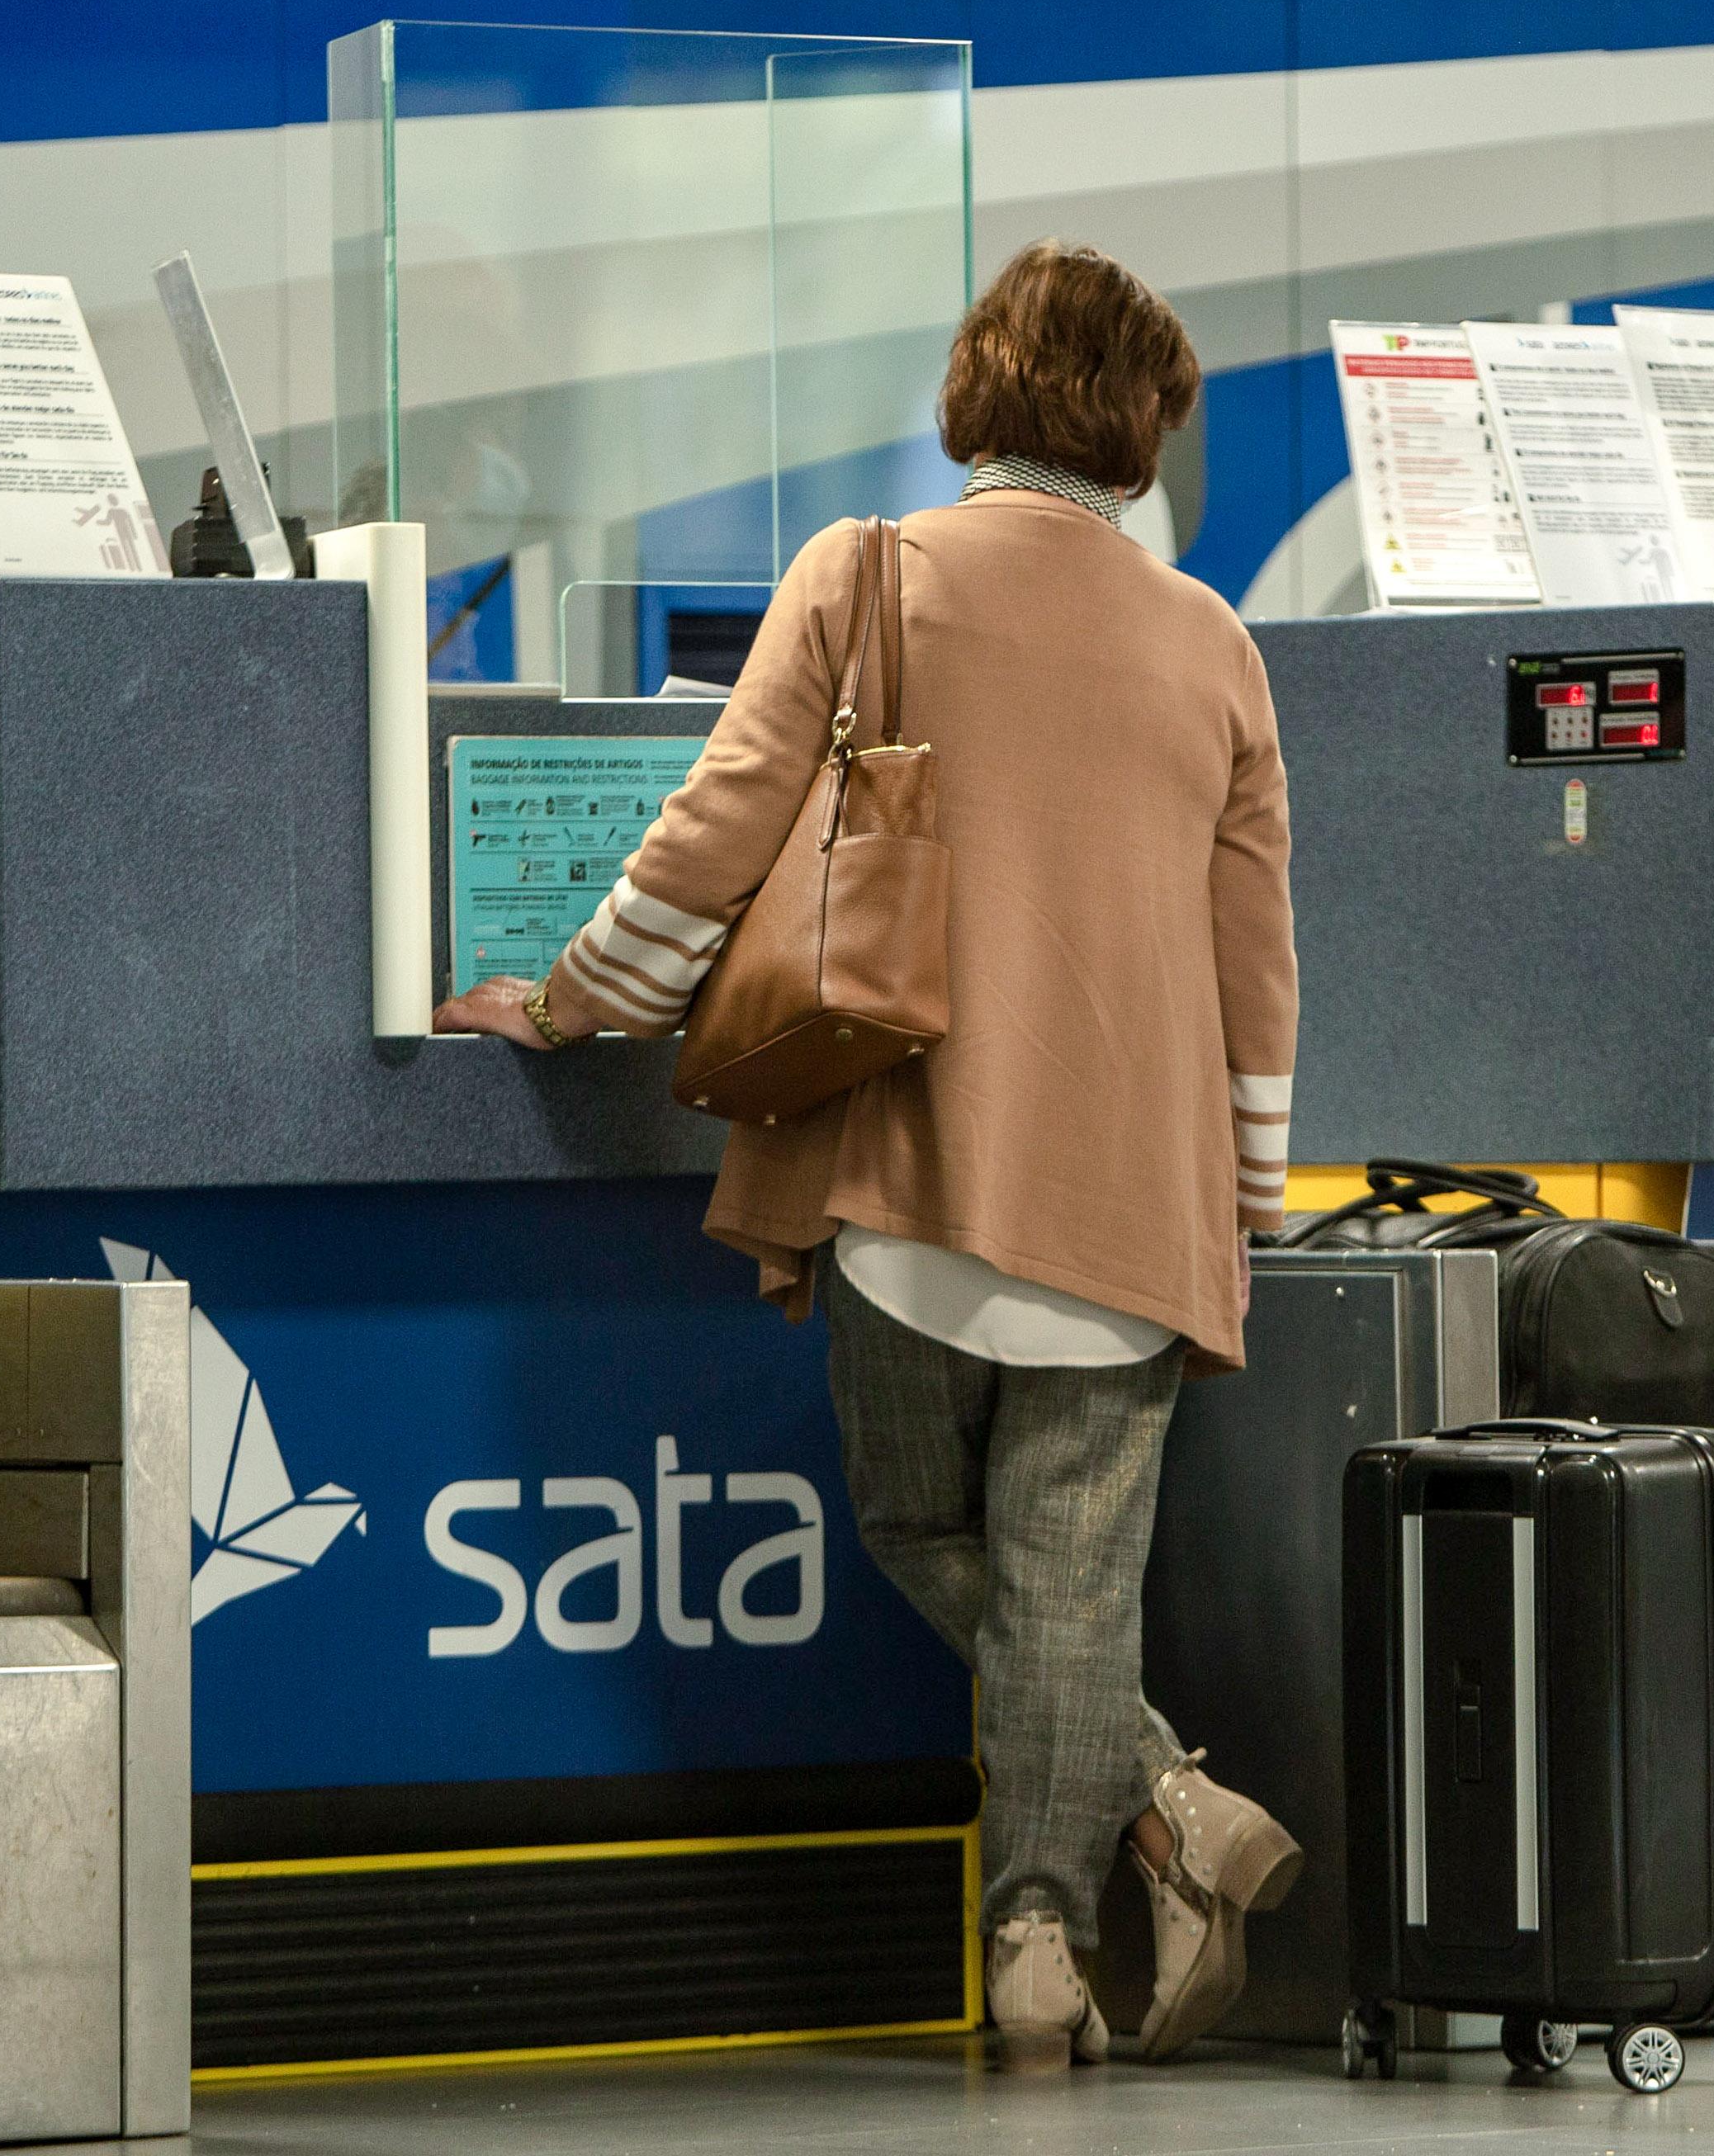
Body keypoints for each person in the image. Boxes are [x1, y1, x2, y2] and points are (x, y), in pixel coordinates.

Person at [437, 240, 1304, 2073]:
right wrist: (1247, 1195)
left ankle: (1128, 1844)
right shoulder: (1216, 642)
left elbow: (718, 830)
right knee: (1071, 1576)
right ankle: (1059, 1932)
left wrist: (581, 999)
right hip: (1137, 1204)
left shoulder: (870, 574)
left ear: (978, 388)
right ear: (1145, 427)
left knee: (924, 1523)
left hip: (914, 1161)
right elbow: (1256, 968)